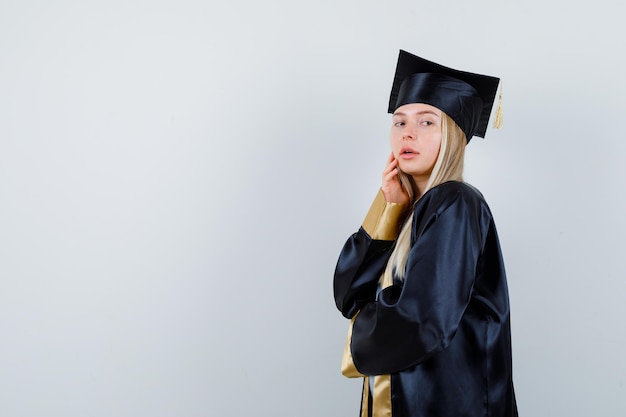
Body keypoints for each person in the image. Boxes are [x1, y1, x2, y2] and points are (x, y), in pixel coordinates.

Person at [333, 50, 518, 417]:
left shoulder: (456, 203)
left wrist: (363, 330)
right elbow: (350, 295)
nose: (409, 133)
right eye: (400, 122)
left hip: (445, 404)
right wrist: (390, 207)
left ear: (454, 135)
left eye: (427, 122)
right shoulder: (412, 210)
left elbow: (422, 321)